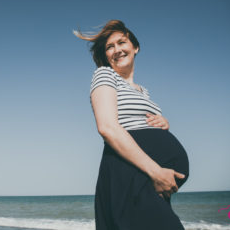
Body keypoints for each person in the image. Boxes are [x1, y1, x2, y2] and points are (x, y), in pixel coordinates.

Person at [74, 20, 189, 230]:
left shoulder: (143, 90)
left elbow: (140, 122)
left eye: (121, 42)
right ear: (105, 55)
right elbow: (107, 128)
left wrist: (163, 124)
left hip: (144, 177)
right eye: (110, 47)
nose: (117, 49)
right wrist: (155, 171)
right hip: (129, 170)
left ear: (135, 47)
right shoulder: (105, 74)